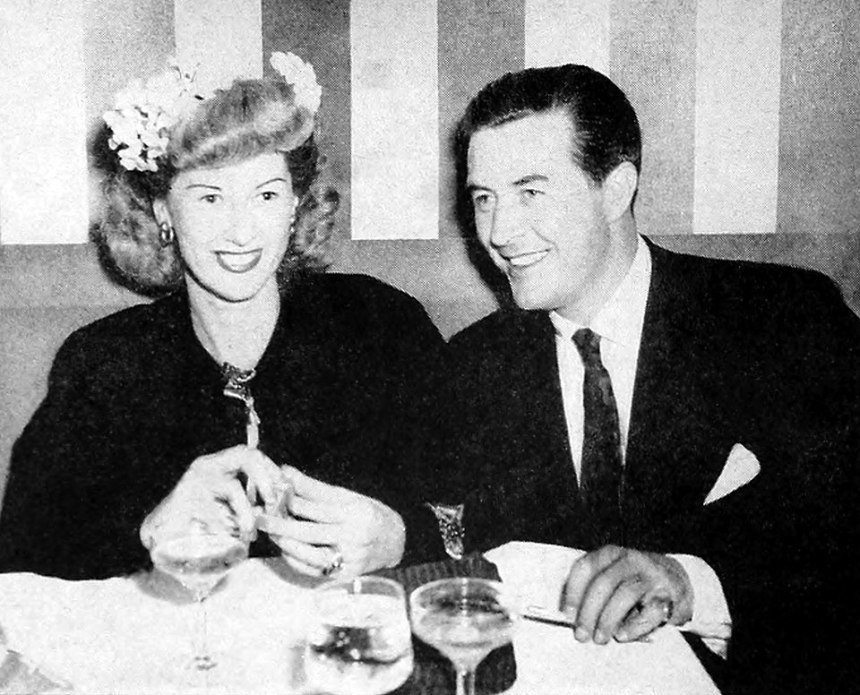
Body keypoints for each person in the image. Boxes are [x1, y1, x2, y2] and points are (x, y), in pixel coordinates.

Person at [430, 64, 860, 694]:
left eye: (531, 192)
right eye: (483, 198)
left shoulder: (781, 318)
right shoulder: (473, 366)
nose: (498, 232)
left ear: (616, 188)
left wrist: (694, 584)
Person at [0, 53, 446, 581]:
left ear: (296, 204)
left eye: (265, 194)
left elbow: (480, 512)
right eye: (210, 197)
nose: (241, 232)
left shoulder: (382, 324)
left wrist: (400, 537)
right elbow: (21, 559)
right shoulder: (102, 364)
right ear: (163, 211)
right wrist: (147, 531)